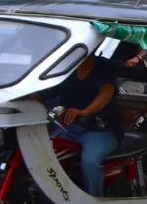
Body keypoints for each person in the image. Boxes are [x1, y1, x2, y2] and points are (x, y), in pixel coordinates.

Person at [33, 55, 121, 197]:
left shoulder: (103, 65)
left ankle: (94, 199)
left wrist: (85, 112)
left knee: (90, 161)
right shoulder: (65, 67)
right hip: (70, 129)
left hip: (101, 130)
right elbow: (43, 92)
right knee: (41, 154)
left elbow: (107, 92)